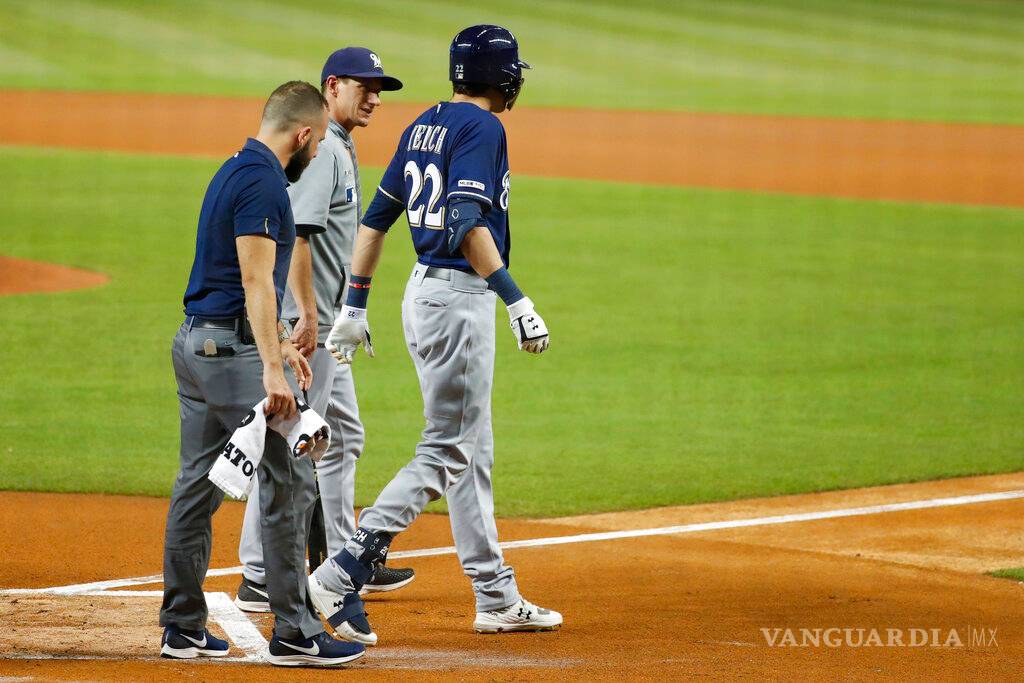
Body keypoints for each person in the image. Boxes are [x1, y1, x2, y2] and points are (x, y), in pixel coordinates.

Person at [305, 25, 562, 646]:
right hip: (458, 297)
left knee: (471, 448)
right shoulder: (485, 128)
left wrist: (355, 304)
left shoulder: (425, 123)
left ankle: (495, 595)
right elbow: (467, 219)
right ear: (502, 77)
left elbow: (376, 220)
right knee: (445, 447)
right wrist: (515, 297)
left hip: (420, 295)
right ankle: (345, 567)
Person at [160, 81, 364, 667]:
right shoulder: (263, 182)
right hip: (232, 353)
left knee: (197, 483)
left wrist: (274, 345)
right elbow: (254, 281)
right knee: (291, 476)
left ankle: (182, 626)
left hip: (199, 344)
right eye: (319, 138)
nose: (318, 147)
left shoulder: (234, 167)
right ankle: (296, 631)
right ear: (302, 135)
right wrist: (273, 368)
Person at [234, 48, 415, 613]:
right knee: (291, 443)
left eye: (379, 88)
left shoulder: (339, 145)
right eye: (365, 86)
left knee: (343, 437)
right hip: (309, 325)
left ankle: (342, 559)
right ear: (332, 86)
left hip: (330, 323)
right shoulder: (325, 150)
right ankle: (260, 573)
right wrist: (310, 315)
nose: (375, 97)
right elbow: (303, 238)